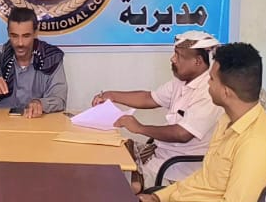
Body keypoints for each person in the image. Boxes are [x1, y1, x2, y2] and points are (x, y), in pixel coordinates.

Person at [137, 42, 266, 202]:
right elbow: (205, 178)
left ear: (226, 92)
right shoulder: (228, 120)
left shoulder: (256, 143)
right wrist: (159, 197)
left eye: (212, 79)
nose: (207, 83)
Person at [92, 31, 223, 192]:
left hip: (175, 171)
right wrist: (111, 95)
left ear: (197, 61)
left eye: (179, 56)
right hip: (159, 155)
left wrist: (140, 128)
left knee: (109, 182)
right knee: (106, 155)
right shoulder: (182, 81)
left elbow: (182, 134)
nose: (172, 59)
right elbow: (149, 98)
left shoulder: (209, 92)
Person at [0, 7, 68, 118]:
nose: (20, 43)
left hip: (36, 124)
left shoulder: (51, 58)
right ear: (8, 33)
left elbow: (60, 100)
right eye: (14, 36)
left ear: (35, 33)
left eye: (26, 36)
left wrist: (40, 103)